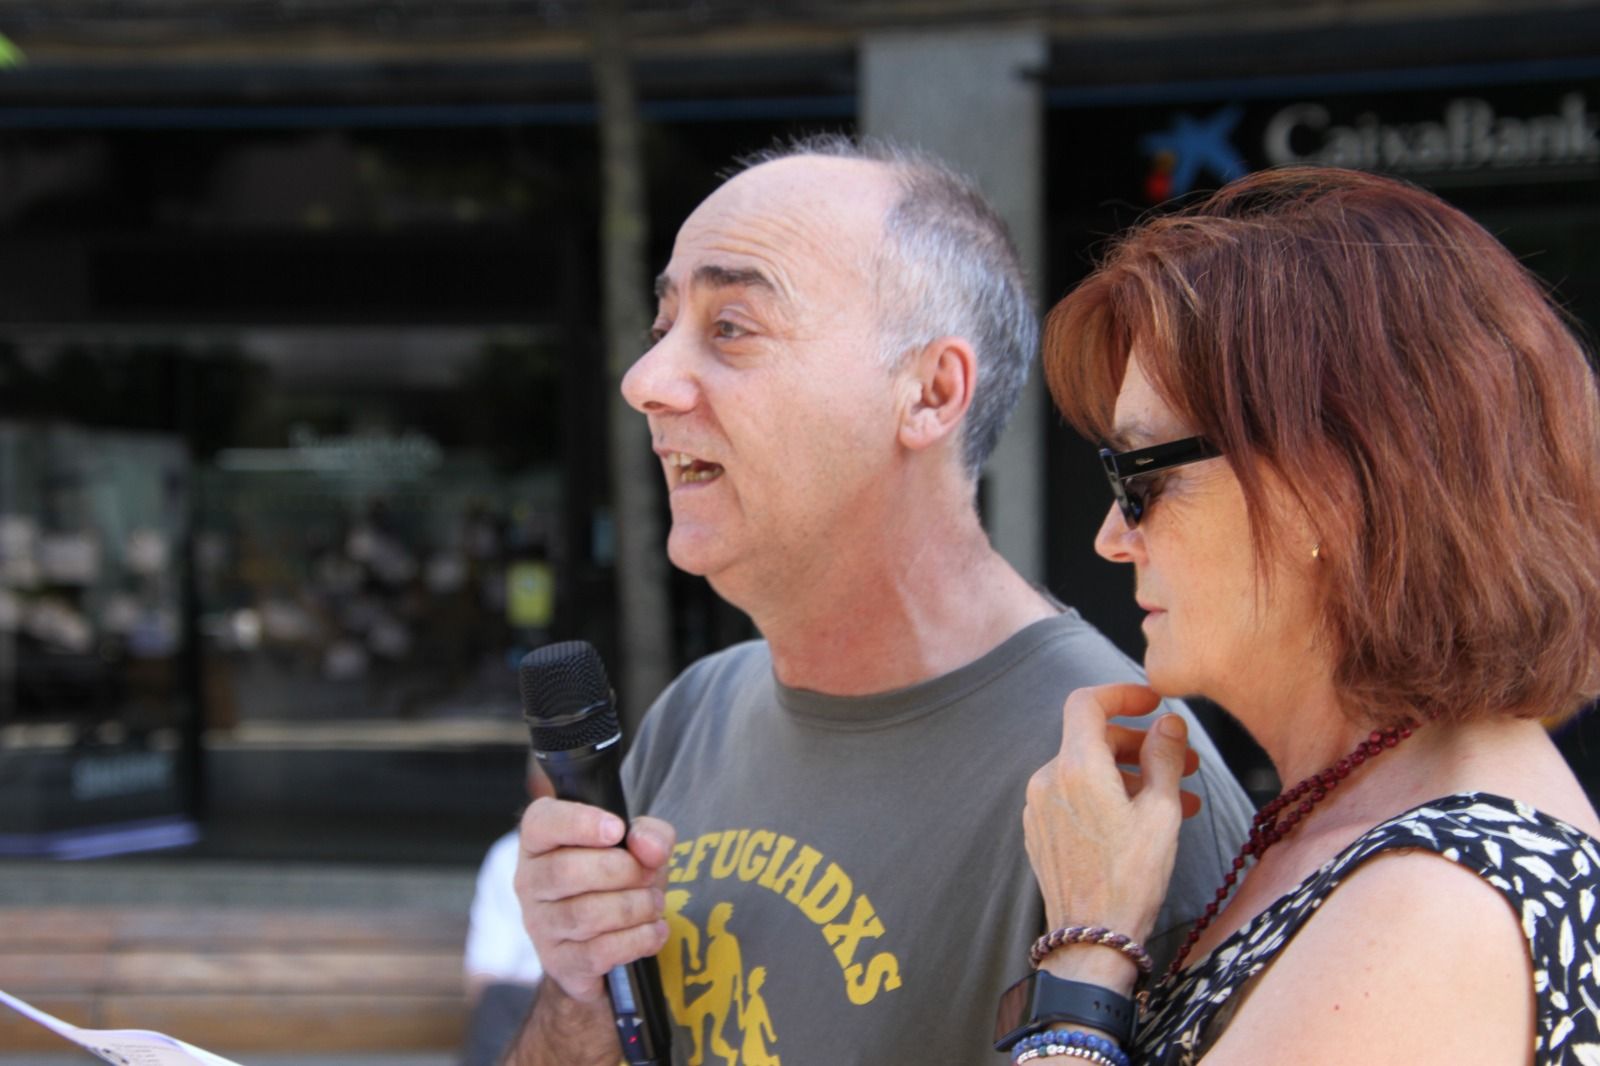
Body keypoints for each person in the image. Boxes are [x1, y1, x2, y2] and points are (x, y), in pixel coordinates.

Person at [505, 136, 1256, 1065]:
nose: (644, 381)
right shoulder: (694, 715)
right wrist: (578, 989)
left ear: (931, 393)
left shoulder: (1124, 779)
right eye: (664, 330)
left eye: (731, 326)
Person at [1010, 166, 1600, 1066]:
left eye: (1141, 477)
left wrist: (1086, 951)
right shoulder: (1374, 827)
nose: (1111, 538)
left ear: (1327, 488)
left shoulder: (1432, 907)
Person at [459, 758, 545, 1066]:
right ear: (536, 788)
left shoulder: (623, 846)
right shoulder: (508, 855)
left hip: (604, 1008)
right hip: (522, 1008)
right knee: (498, 1001)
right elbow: (483, 978)